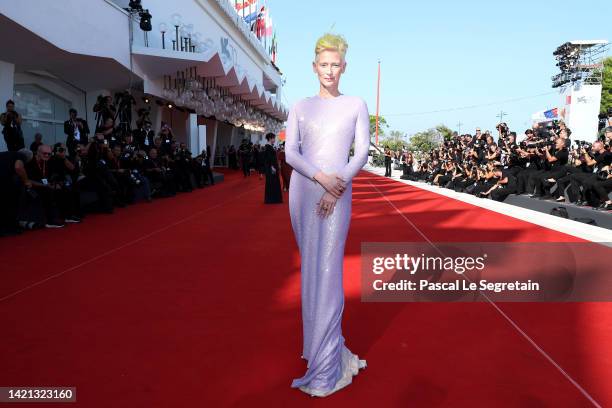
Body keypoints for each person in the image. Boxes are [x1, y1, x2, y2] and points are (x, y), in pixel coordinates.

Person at [285, 33, 368, 397]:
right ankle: (314, 347)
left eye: (336, 65)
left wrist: (338, 185)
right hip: (305, 190)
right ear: (314, 67)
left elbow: (361, 152)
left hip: (340, 192)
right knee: (310, 271)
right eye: (324, 65)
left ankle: (327, 363)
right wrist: (322, 179)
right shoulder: (300, 106)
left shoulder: (355, 105)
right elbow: (290, 153)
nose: (330, 71)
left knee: (329, 272)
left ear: (344, 67)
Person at [0, 148, 33, 235]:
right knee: (8, 204)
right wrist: (26, 181)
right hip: (3, 182)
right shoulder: (20, 156)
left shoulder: (6, 154)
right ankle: (8, 229)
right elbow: (18, 167)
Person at [263, 133, 282, 203]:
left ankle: (273, 199)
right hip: (271, 168)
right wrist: (272, 167)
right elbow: (268, 159)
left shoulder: (270, 146)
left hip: (273, 167)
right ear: (270, 138)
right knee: (271, 183)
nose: (274, 139)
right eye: (273, 138)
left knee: (274, 183)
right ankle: (271, 199)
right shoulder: (268, 147)